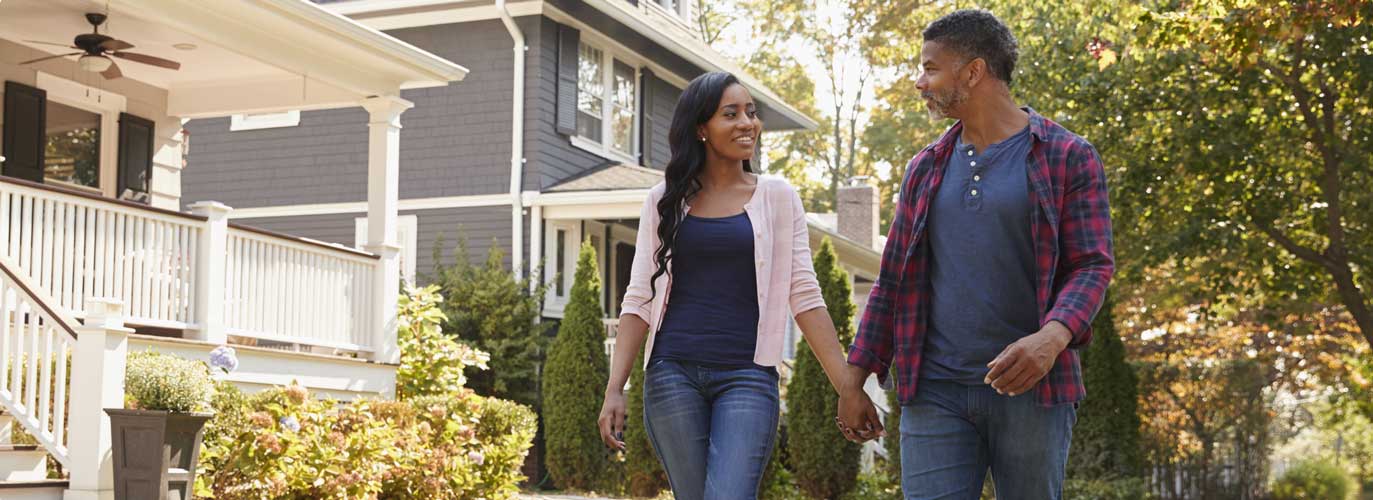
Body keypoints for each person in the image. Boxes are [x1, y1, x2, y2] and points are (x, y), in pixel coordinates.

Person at [839, 9, 1115, 500]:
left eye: (930, 68)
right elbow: (891, 282)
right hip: (934, 390)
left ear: (973, 72)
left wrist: (1051, 340)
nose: (919, 81)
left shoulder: (1067, 155)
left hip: (1035, 390)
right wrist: (854, 380)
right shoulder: (924, 169)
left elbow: (1092, 265)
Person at [597, 71, 883, 500]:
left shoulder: (778, 197)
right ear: (701, 129)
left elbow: (804, 294)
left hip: (747, 376)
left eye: (751, 112)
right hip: (672, 374)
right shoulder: (664, 200)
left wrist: (848, 384)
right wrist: (614, 388)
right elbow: (640, 296)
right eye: (730, 114)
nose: (747, 123)